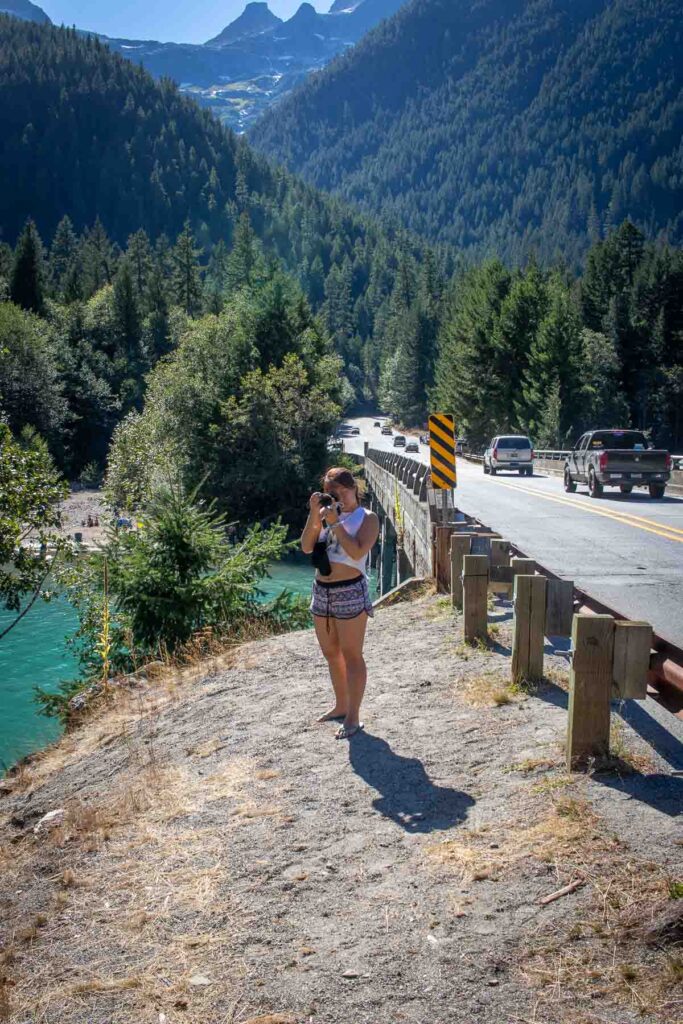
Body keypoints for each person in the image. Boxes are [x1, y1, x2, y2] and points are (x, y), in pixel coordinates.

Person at [301, 467, 379, 739]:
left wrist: (335, 522)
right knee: (331, 653)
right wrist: (315, 514)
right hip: (322, 590)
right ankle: (340, 706)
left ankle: (353, 717)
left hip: (349, 590)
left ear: (353, 489)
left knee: (351, 654)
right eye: (330, 492)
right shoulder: (324, 515)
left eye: (341, 492)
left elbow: (357, 550)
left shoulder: (367, 518)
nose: (336, 497)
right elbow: (307, 547)